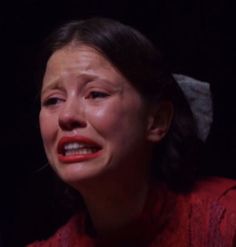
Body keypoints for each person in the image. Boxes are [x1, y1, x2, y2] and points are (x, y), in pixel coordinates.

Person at [27, 17, 236, 246]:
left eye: (96, 94)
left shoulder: (224, 222)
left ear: (157, 120)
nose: (66, 116)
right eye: (53, 100)